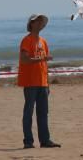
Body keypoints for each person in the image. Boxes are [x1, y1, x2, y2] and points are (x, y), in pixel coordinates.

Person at [17, 13, 61, 149]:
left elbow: (44, 64)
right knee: (28, 112)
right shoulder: (27, 40)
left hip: (42, 82)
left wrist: (47, 83)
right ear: (32, 23)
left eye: (42, 22)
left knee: (43, 113)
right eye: (39, 21)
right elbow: (25, 59)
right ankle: (28, 141)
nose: (41, 24)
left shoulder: (43, 41)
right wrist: (42, 59)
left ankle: (45, 140)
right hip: (30, 82)